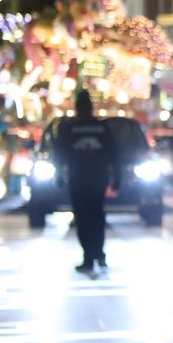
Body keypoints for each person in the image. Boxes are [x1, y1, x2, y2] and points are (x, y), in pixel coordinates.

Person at [55, 90, 119, 275]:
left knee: (83, 218)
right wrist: (117, 178)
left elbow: (60, 154)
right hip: (98, 179)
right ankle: (98, 254)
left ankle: (89, 257)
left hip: (78, 179)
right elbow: (114, 154)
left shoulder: (70, 128)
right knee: (97, 216)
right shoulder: (101, 128)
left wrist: (59, 176)